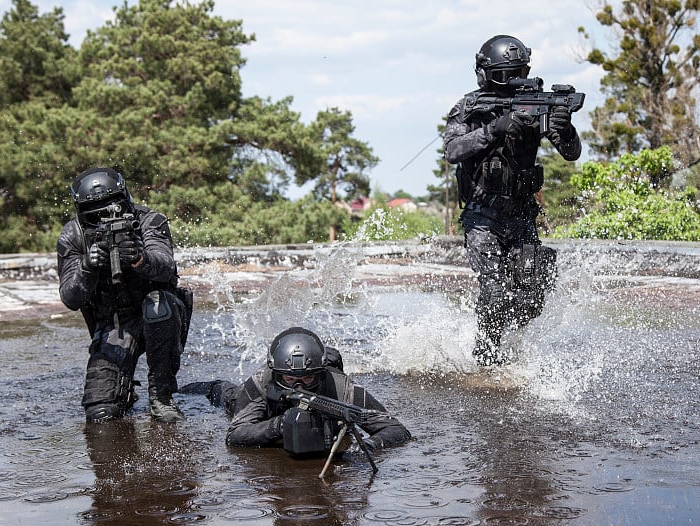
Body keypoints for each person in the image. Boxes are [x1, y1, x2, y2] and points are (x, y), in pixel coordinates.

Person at [443, 35, 580, 366]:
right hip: (482, 216)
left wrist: (565, 127)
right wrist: (495, 129)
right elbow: (452, 150)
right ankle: (486, 361)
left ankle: (508, 344)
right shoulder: (469, 107)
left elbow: (571, 153)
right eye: (503, 75)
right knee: (493, 290)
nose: (509, 83)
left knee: (532, 293)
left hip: (521, 216)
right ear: (486, 74)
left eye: (516, 73)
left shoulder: (536, 104)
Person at [57, 167, 192, 423]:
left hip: (159, 315)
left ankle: (161, 395)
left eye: (113, 208)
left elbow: (166, 266)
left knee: (158, 305)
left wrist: (141, 259)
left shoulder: (149, 221)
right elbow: (70, 298)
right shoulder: (73, 236)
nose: (106, 218)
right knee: (100, 414)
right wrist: (88, 265)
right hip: (114, 323)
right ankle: (123, 391)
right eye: (96, 215)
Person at [181, 327, 411, 454]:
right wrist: (277, 426)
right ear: (278, 372)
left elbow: (395, 428)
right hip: (259, 410)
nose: (298, 386)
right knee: (224, 393)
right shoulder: (262, 381)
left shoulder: (341, 386)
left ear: (321, 373)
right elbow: (234, 435)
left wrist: (367, 447)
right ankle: (196, 388)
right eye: (290, 379)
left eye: (308, 378)